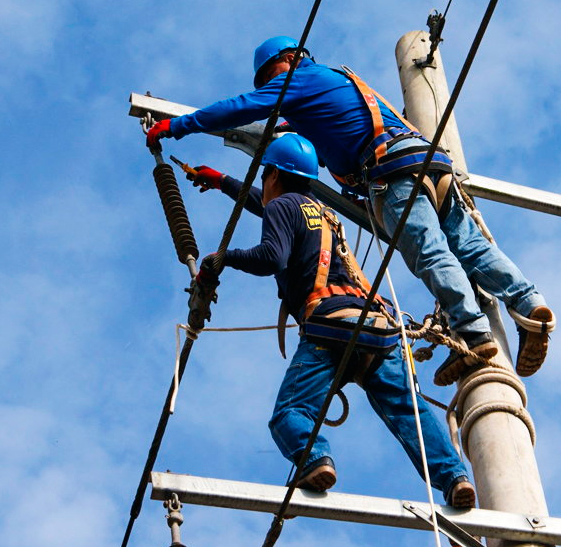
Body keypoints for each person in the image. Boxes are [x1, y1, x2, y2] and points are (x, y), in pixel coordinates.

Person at [147, 36, 555, 385]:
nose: (272, 91)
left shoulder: (297, 79)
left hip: (393, 175)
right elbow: (293, 181)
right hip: (431, 165)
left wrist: (178, 125)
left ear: (286, 62)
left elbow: (241, 107)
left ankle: (472, 333)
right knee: (470, 246)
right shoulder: (339, 84)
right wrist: (223, 181)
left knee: (430, 253)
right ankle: (530, 305)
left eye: (270, 77)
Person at [190, 133, 475, 507]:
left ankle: (315, 460)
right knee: (409, 410)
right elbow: (269, 205)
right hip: (375, 327)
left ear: (273, 175)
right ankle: (454, 478)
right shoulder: (320, 211)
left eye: (265, 178)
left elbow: (271, 256)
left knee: (290, 414)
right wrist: (223, 181)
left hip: (329, 325)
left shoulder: (282, 208)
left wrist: (223, 257)